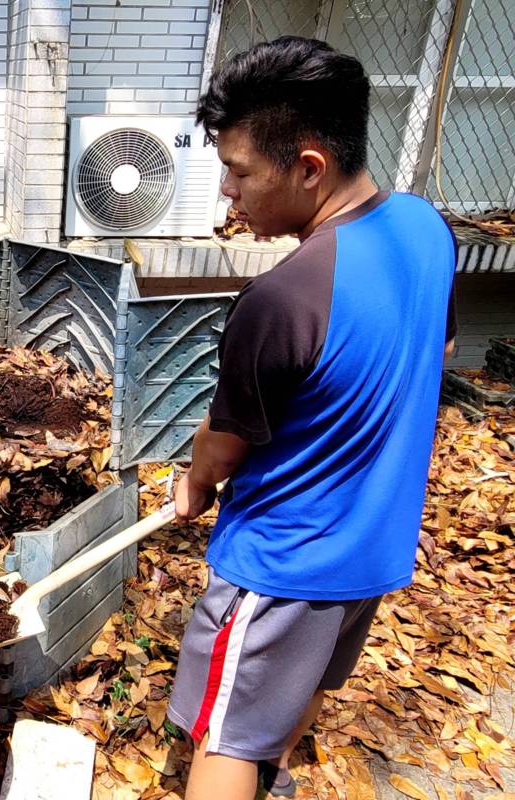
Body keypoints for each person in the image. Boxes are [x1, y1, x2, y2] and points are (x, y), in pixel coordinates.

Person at [167, 37, 457, 800]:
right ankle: (277, 777)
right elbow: (440, 343)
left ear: (308, 167)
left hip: (285, 564)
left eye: (238, 172)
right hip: (374, 544)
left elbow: (222, 448)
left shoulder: (284, 299)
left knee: (227, 733)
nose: (228, 192)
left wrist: (193, 484)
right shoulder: (427, 230)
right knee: (299, 690)